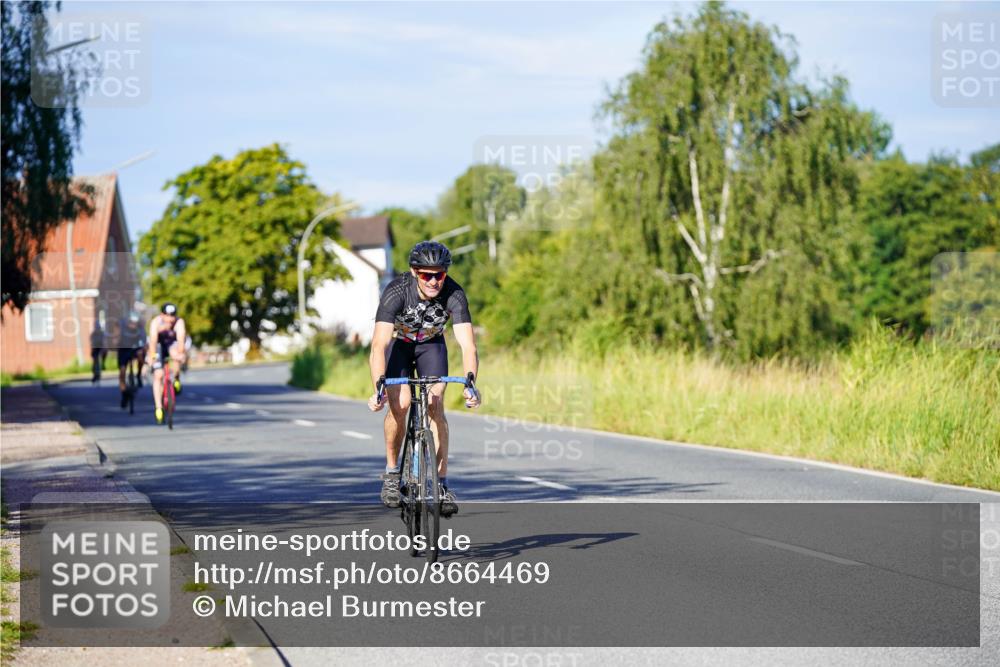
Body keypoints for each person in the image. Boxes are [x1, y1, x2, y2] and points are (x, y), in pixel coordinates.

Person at [367, 241, 481, 517]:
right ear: (414, 272)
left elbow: (468, 345)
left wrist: (471, 384)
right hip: (401, 346)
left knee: (435, 401)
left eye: (438, 274)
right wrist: (379, 387)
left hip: (432, 346)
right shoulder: (396, 291)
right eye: (426, 275)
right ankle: (393, 474)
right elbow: (379, 345)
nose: (433, 281)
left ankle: (441, 485)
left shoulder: (454, 293)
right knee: (401, 403)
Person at [147, 303, 188, 424]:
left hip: (172, 344)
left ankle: (176, 378)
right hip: (159, 346)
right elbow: (153, 341)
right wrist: (153, 356)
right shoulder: (156, 322)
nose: (170, 319)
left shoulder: (179, 323)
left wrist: (180, 355)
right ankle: (158, 408)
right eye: (167, 316)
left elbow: (181, 341)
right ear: (162, 315)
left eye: (173, 316)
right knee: (158, 375)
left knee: (176, 355)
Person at [117, 312, 146, 408]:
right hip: (123, 349)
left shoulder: (140, 329)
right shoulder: (122, 327)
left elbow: (143, 342)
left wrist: (142, 349)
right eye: (131, 323)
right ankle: (124, 394)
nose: (133, 325)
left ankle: (138, 375)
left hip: (135, 348)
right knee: (122, 372)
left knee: (141, 354)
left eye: (135, 323)